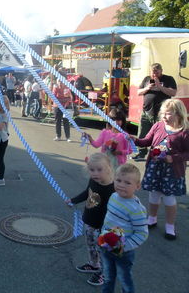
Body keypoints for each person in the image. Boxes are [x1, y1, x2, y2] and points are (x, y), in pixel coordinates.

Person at [133, 98, 189, 240]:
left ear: (179, 114)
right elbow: (146, 141)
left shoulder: (184, 132)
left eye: (168, 113)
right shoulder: (158, 126)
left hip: (172, 171)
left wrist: (174, 158)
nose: (164, 116)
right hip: (155, 167)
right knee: (154, 195)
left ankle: (170, 226)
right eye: (163, 113)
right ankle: (152, 218)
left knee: (169, 198)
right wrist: (134, 140)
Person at [67, 153, 115, 286]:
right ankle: (94, 264)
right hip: (89, 220)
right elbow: (87, 192)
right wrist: (73, 200)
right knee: (90, 244)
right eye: (92, 170)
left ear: (108, 168)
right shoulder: (93, 181)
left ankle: (104, 273)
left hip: (102, 226)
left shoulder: (111, 189)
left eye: (99, 170)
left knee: (102, 250)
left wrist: (105, 228)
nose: (95, 173)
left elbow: (113, 210)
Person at [101, 163, 148, 293]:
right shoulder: (113, 197)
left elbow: (142, 233)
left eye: (127, 183)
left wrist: (123, 247)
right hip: (106, 245)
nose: (121, 185)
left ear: (137, 186)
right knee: (108, 277)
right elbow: (109, 219)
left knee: (124, 279)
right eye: (119, 180)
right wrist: (103, 234)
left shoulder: (136, 209)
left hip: (124, 252)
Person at [133, 63, 177, 160]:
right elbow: (138, 92)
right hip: (146, 111)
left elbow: (173, 92)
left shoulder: (168, 79)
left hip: (161, 114)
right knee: (143, 133)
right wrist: (147, 88)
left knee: (160, 134)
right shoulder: (146, 79)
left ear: (161, 71)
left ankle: (158, 153)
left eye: (156, 72)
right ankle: (141, 153)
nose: (154, 75)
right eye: (153, 73)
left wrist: (159, 86)